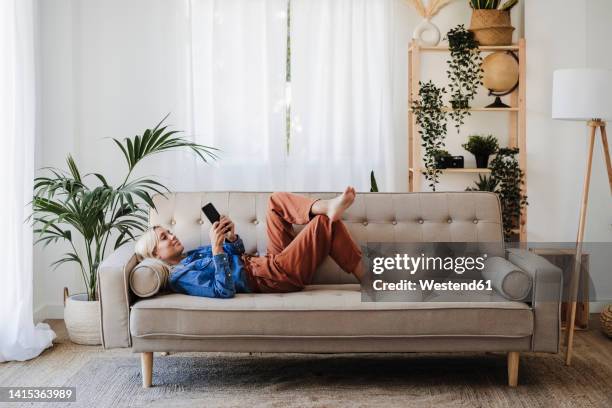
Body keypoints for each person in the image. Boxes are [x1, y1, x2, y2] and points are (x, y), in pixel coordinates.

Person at [134, 187, 364, 298]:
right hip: (271, 278)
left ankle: (326, 206)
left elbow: (237, 254)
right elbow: (223, 290)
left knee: (275, 201)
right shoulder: (180, 276)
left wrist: (231, 237)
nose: (172, 236)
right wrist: (216, 248)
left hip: (268, 264)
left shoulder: (191, 255)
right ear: (155, 254)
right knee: (323, 224)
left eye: (168, 232)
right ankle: (371, 278)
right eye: (164, 238)